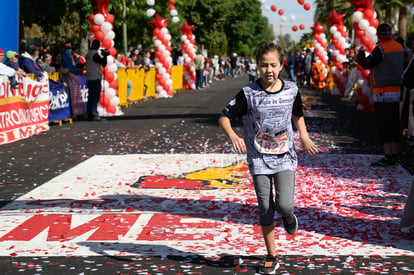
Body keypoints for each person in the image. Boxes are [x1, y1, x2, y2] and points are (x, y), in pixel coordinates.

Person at [218, 42, 318, 274]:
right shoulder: (248, 93)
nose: (269, 70)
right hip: (259, 157)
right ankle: (272, 255)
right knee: (265, 207)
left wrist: (303, 136)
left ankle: (288, 215)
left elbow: (298, 114)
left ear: (281, 65)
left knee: (284, 204)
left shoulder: (292, 89)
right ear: (257, 65)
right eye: (264, 65)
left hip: (284, 156)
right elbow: (224, 117)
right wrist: (233, 135)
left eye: (273, 65)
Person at [357, 23, 404, 167]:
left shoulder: (380, 49)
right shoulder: (399, 47)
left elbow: (366, 64)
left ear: (378, 35)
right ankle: (394, 155)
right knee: (395, 124)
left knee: (385, 125)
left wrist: (360, 54)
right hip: (397, 91)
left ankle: (388, 156)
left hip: (382, 93)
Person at [85, 39, 109, 121]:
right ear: (98, 46)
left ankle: (90, 114)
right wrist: (105, 55)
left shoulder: (88, 54)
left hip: (89, 77)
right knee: (95, 97)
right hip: (95, 78)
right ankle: (94, 114)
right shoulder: (94, 55)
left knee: (90, 97)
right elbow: (103, 63)